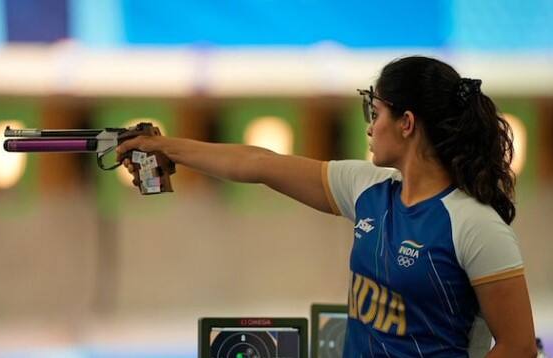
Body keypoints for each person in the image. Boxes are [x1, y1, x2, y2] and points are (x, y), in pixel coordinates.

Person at [116, 56, 537, 357]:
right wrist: (163, 147)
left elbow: (518, 346)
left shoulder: (473, 224)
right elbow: (260, 164)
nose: (370, 126)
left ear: (406, 123)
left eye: (377, 112)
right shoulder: (368, 187)